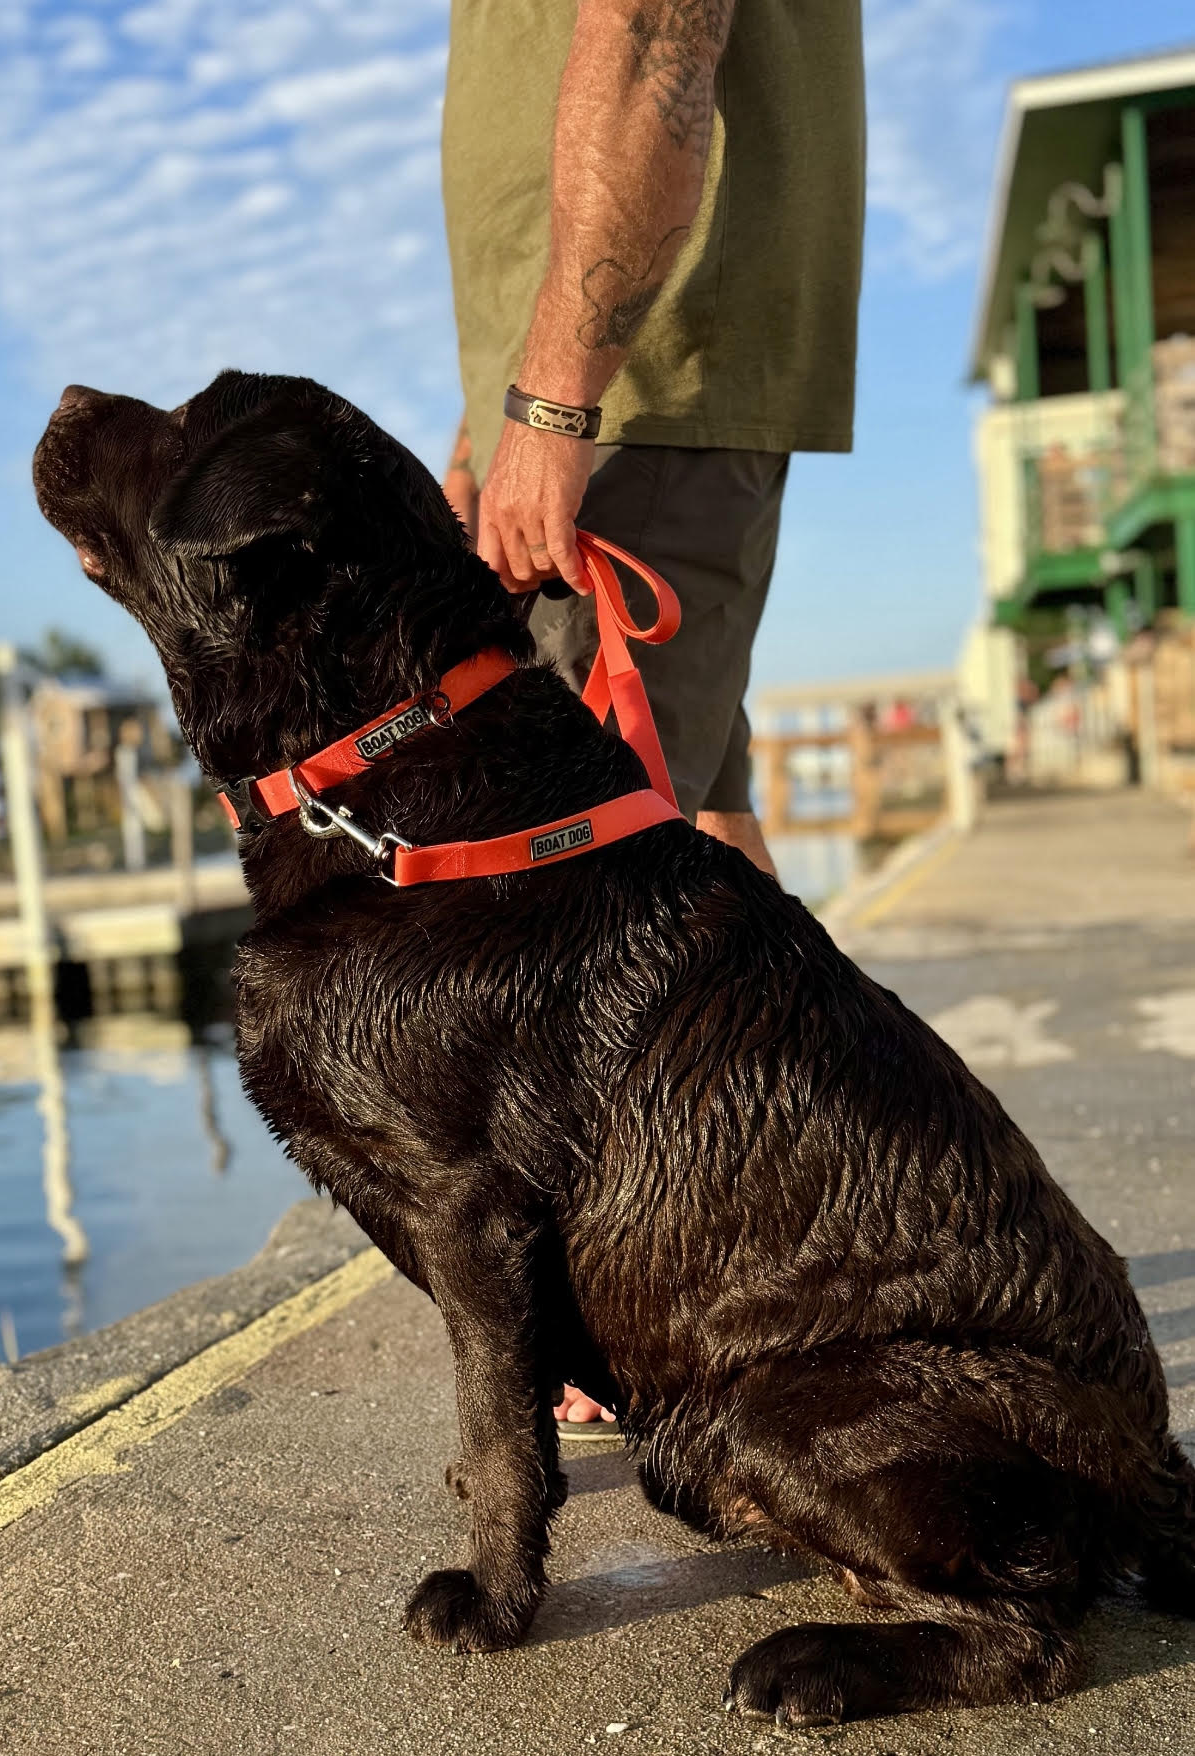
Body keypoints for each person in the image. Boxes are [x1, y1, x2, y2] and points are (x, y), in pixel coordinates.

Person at [440, 0, 865, 1429]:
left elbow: (656, 52)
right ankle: (807, 1242)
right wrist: (496, 396)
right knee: (700, 835)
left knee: (580, 898)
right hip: (611, 372)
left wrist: (553, 399)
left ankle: (659, 1301)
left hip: (640, 372)